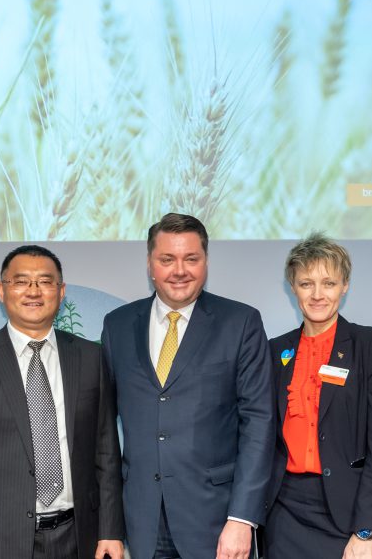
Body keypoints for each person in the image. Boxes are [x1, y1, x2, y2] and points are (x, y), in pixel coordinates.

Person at [0, 245, 125, 559]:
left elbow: (106, 451)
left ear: (61, 292)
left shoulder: (90, 357)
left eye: (46, 282)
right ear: (1, 290)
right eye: (21, 281)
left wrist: (111, 530)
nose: (34, 291)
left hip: (79, 535)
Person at [100, 213, 274, 559]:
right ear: (150, 264)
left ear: (206, 262)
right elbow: (104, 431)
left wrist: (242, 518)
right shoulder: (117, 326)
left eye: (191, 259)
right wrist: (110, 527)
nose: (179, 270)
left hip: (217, 524)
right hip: (142, 522)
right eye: (167, 259)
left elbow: (259, 424)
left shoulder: (241, 323)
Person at [264, 234, 372, 559]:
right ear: (292, 287)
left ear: (345, 286)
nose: (317, 295)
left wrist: (366, 528)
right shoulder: (275, 351)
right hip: (285, 515)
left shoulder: (371, 345)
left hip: (350, 513)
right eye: (306, 283)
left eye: (328, 283)